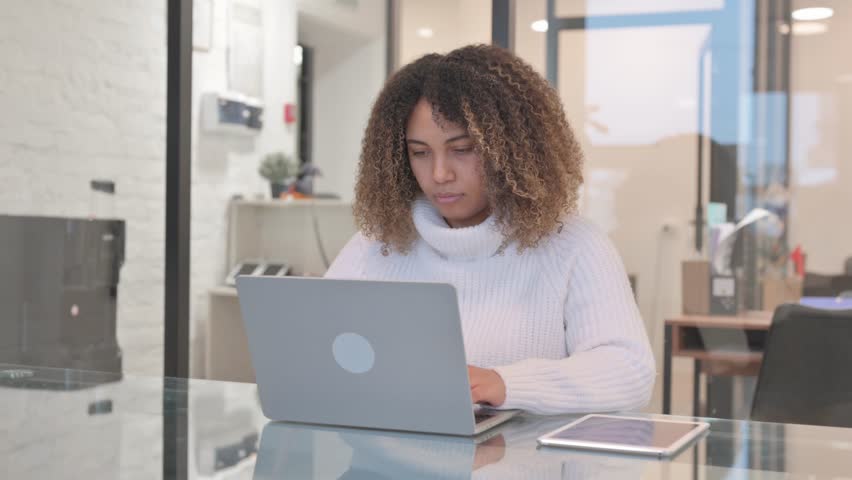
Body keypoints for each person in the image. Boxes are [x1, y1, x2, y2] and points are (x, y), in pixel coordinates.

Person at [325, 44, 654, 415]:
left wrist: (505, 384)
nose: (439, 174)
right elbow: (317, 351)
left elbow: (629, 373)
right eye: (419, 152)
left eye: (462, 149)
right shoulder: (375, 245)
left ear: (512, 150)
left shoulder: (575, 244)